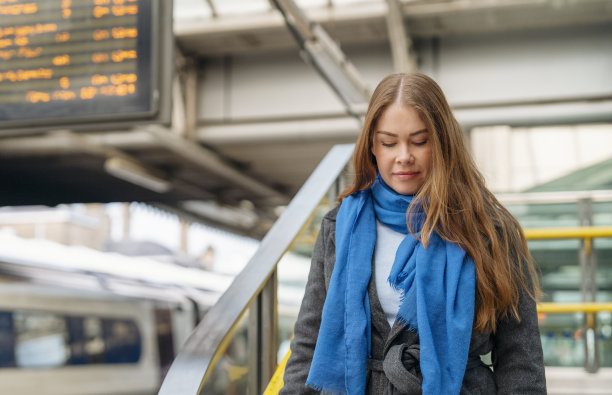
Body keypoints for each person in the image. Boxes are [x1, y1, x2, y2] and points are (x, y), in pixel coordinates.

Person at [280, 73, 546, 394]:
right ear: (372, 147)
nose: (404, 155)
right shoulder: (340, 226)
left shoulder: (489, 229)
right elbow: (309, 340)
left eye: (420, 141)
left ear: (444, 143)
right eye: (389, 142)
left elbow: (520, 357)